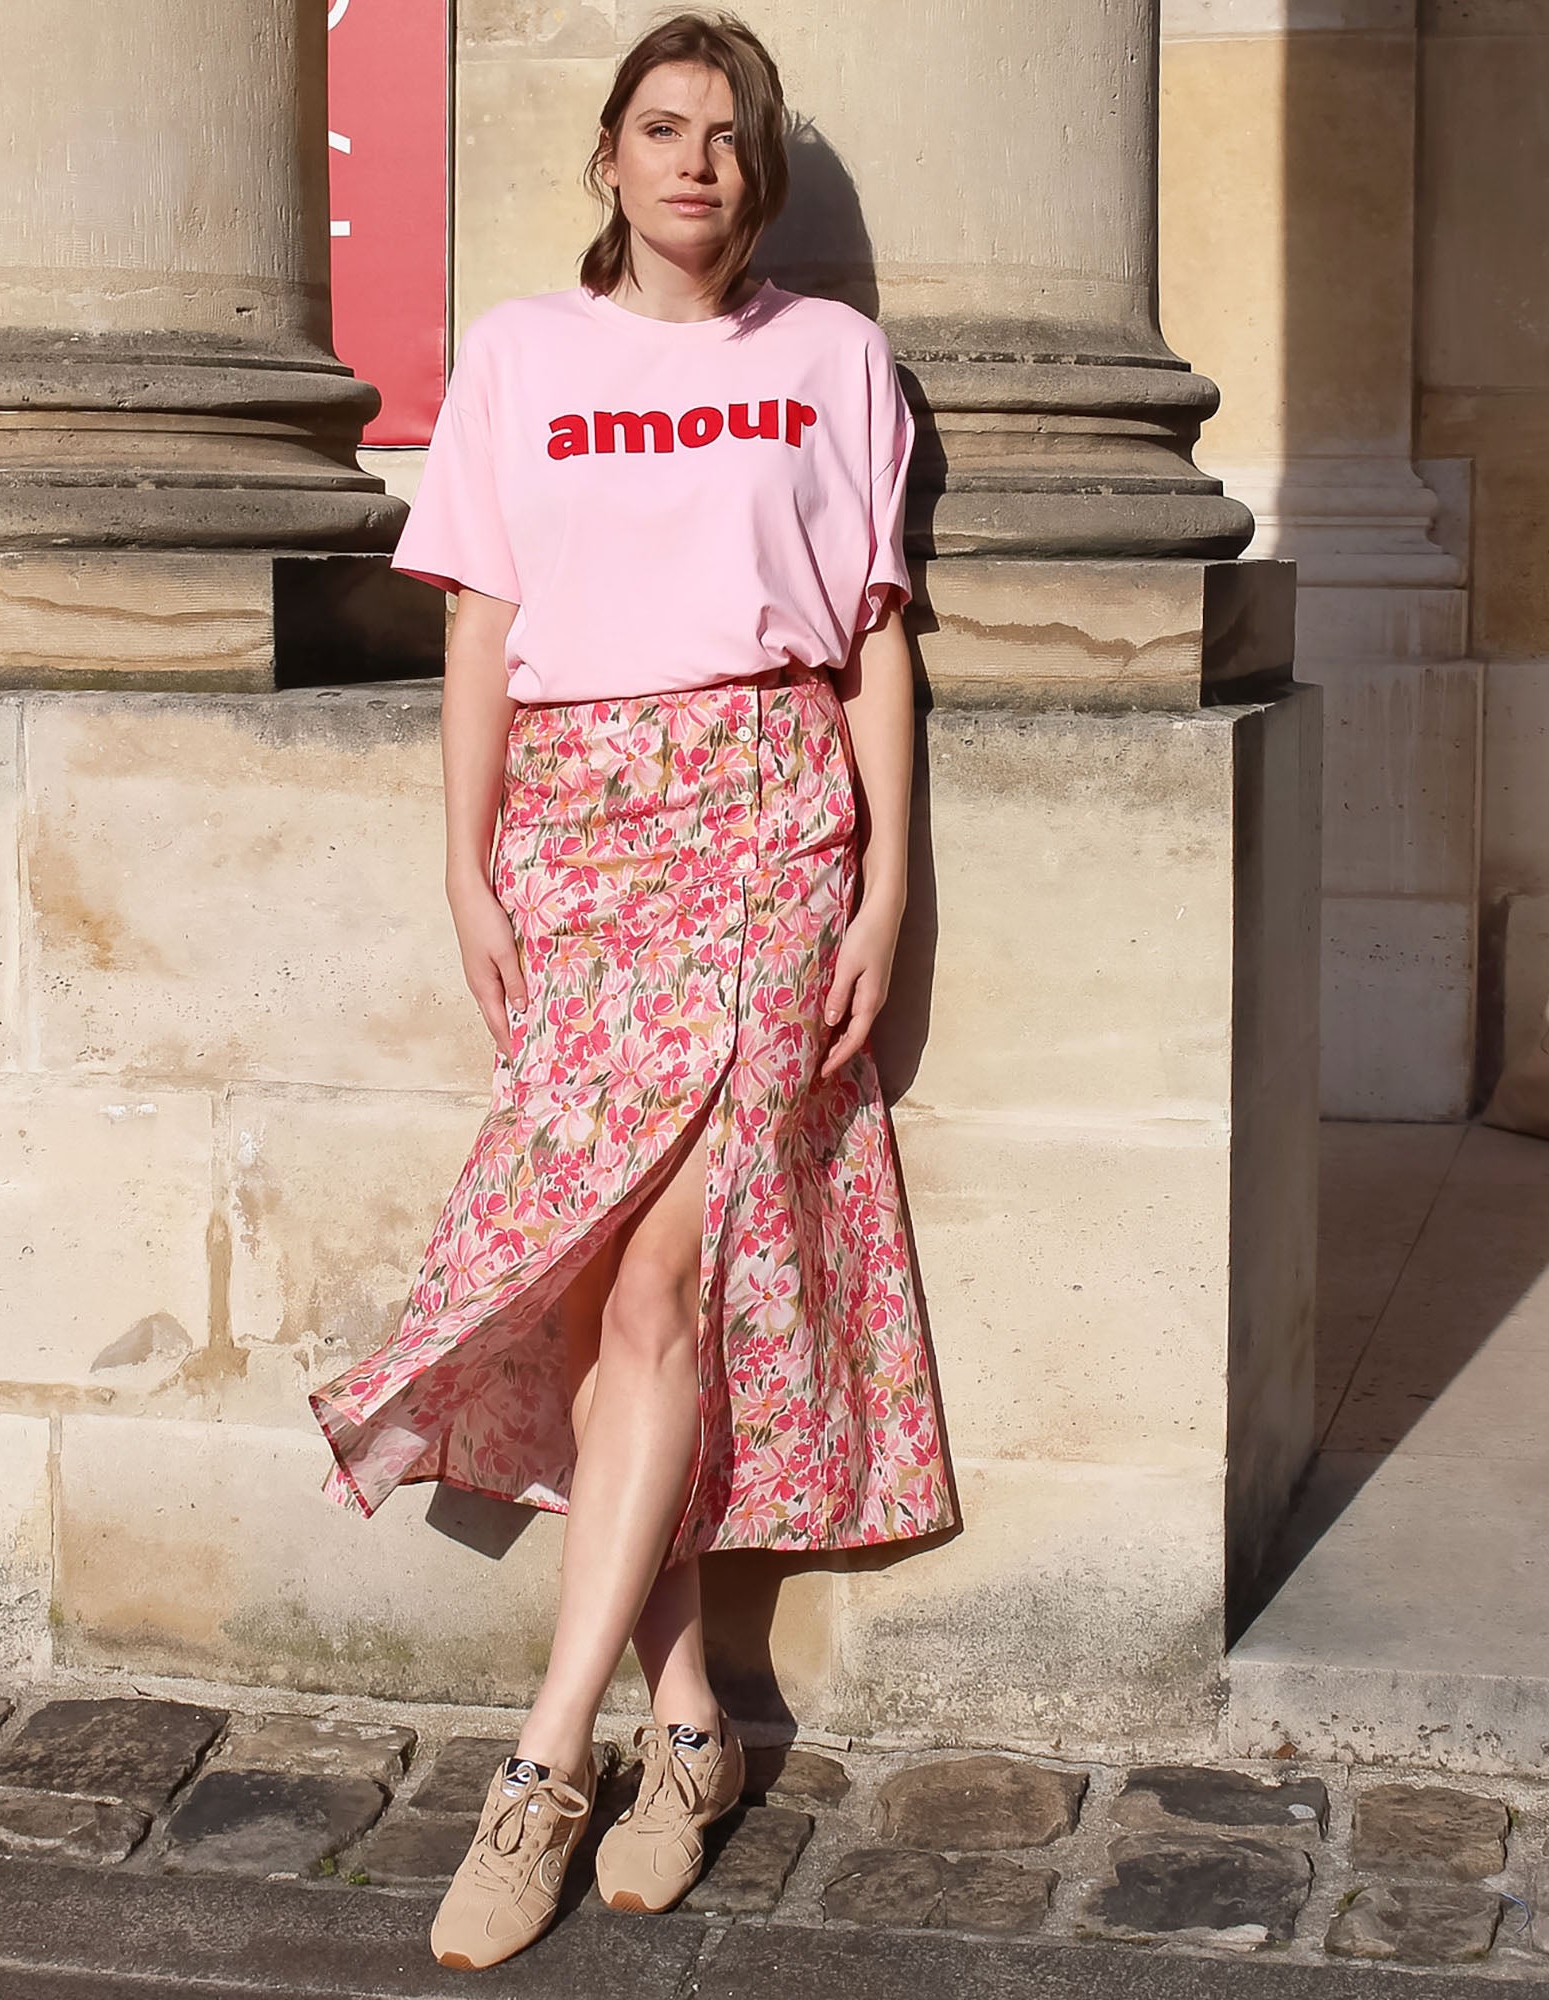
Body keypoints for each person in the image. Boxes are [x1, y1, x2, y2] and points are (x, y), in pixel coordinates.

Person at [308, 7, 955, 1970]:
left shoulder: (829, 359)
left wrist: (885, 889)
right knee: (599, 1289)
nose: (695, 162)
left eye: (727, 136)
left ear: (760, 174)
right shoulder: (519, 356)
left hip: (764, 820)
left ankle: (542, 1762)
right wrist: (465, 866)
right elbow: (482, 628)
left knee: (663, 1278)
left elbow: (871, 640)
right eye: (662, 129)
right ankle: (691, 1725)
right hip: (578, 836)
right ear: (607, 156)